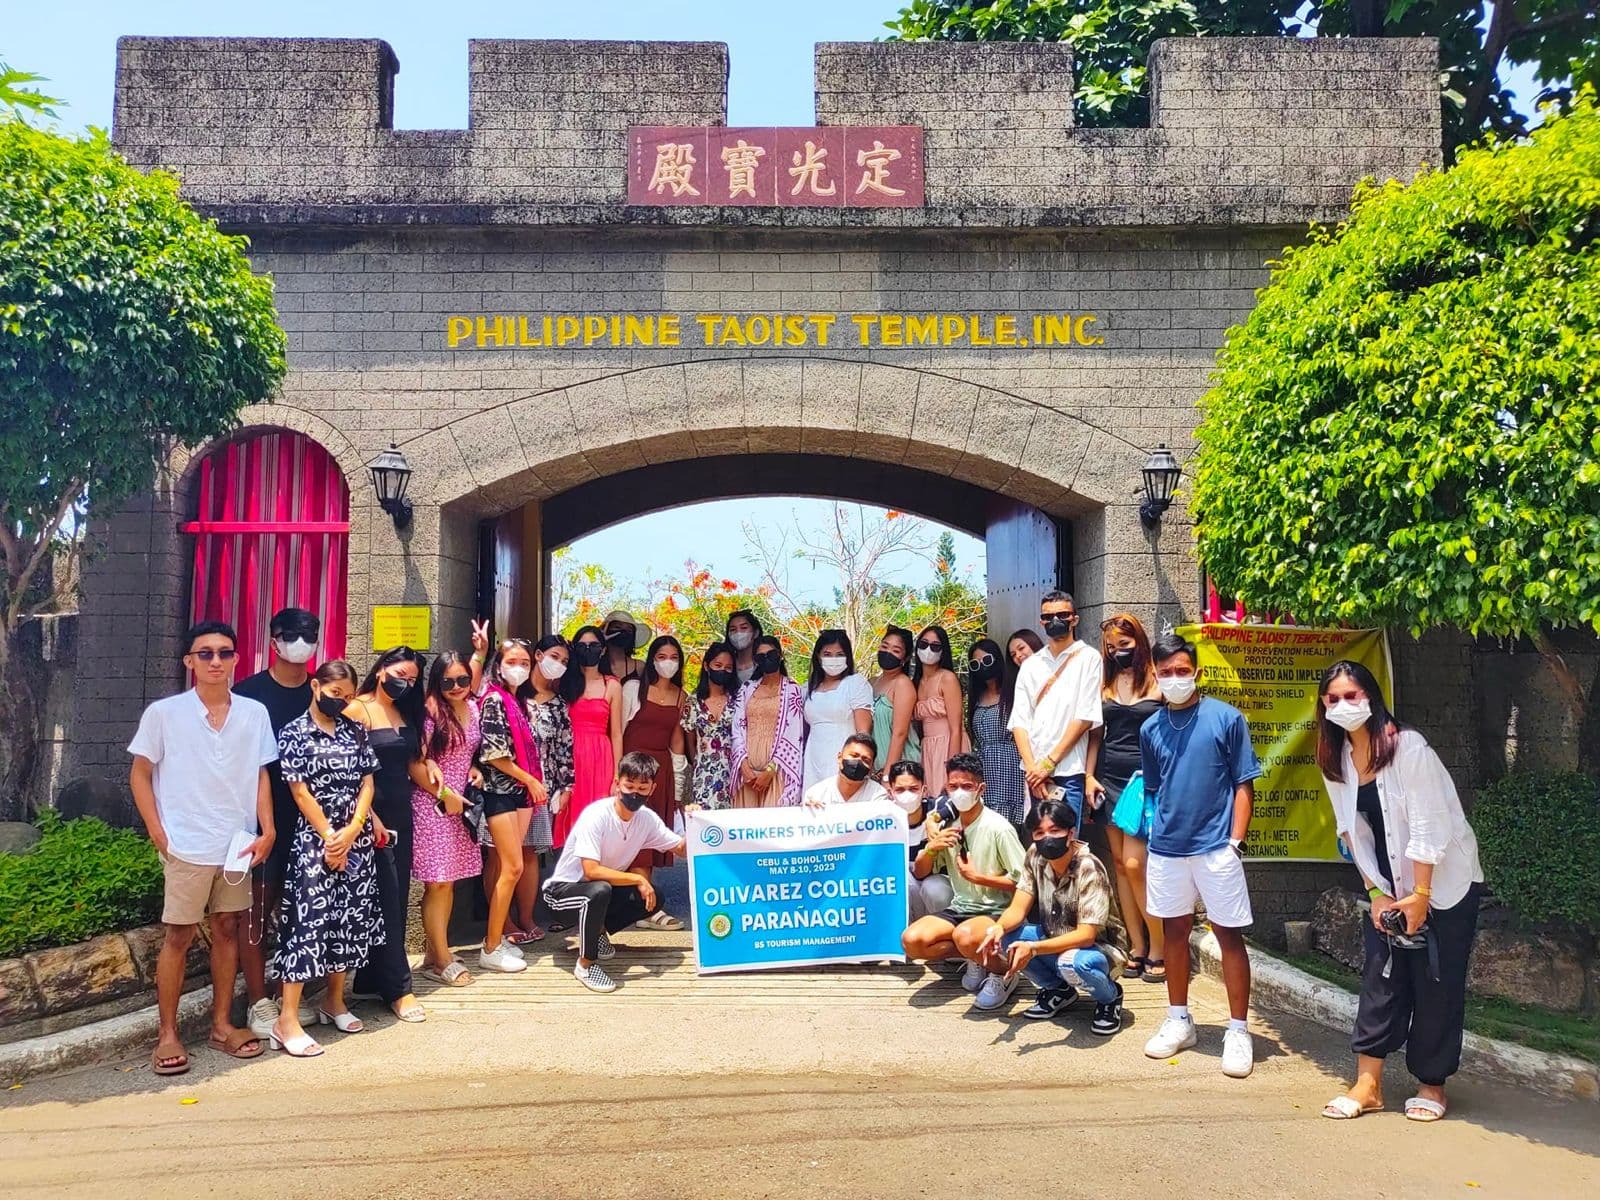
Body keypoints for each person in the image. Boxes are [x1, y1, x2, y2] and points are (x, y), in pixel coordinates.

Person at [1315, 660, 1485, 1123]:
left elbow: (1431, 825)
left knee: (1436, 983)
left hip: (1444, 884)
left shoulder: (1408, 748)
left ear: (1371, 697)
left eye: (1353, 696)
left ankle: (1432, 1084)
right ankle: (1367, 1084)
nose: (1344, 705)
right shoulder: (1335, 760)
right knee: (1381, 977)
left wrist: (1421, 895)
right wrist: (1376, 895)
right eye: (1334, 699)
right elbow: (1352, 833)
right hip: (1388, 885)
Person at [128, 620, 277, 1074]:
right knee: (179, 934)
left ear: (236, 660)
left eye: (225, 653)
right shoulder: (165, 713)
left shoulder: (253, 713)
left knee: (228, 929)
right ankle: (168, 1034)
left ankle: (221, 1025)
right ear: (189, 661)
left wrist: (266, 829)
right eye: (206, 653)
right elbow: (140, 773)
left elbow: (260, 774)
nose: (216, 660)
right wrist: (157, 830)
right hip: (186, 844)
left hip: (235, 843)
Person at [1138, 632, 1262, 1078]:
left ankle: (1238, 1030)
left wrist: (1235, 842)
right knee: (1173, 933)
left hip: (1216, 848)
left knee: (1229, 935)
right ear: (1155, 675)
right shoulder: (1150, 728)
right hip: (1167, 849)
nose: (1175, 679)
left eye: (1182, 672)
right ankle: (1178, 1021)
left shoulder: (1227, 719)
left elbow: (1243, 784)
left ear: (1198, 673)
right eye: (1166, 673)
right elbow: (1153, 789)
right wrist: (1154, 831)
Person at [268, 660, 382, 1056]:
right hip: (316, 841)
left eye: (349, 697)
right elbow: (300, 793)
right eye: (336, 695)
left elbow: (368, 783)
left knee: (349, 918)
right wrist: (332, 838)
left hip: (355, 836)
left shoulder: (355, 731)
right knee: (308, 923)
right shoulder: (295, 732)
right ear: (316, 686)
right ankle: (287, 1019)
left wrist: (353, 830)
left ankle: (335, 999)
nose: (343, 703)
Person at [233, 605, 320, 1040]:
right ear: (274, 640)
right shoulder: (248, 694)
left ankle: (292, 994)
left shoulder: (322, 691)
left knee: (302, 909)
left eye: (309, 634)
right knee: (257, 911)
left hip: (313, 822)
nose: (301, 642)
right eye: (292, 634)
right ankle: (257, 1000)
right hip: (261, 820)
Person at [968, 797, 1130, 1028]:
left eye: (1055, 830)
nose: (1047, 839)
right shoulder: (1035, 855)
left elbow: (1086, 935)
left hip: (1098, 949)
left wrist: (1033, 948)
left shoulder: (1088, 867)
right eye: (1039, 833)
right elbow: (1018, 906)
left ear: (1070, 832)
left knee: (1075, 964)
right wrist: (998, 928)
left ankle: (1110, 997)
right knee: (1008, 938)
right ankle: (1059, 991)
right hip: (1054, 936)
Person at [541, 752, 692, 993]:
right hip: (560, 894)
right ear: (616, 783)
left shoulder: (646, 819)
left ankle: (598, 931)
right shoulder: (596, 815)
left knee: (654, 899)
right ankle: (586, 964)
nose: (634, 793)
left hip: (599, 893)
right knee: (599, 890)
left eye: (642, 788)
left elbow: (682, 849)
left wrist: (696, 821)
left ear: (652, 788)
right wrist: (636, 878)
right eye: (629, 785)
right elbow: (590, 871)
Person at [900, 753, 1026, 1009]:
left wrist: (977, 877)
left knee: (965, 936)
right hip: (960, 907)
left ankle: (1005, 973)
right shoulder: (949, 825)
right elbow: (922, 872)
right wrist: (932, 848)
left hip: (994, 910)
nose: (959, 792)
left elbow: (1025, 881)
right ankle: (976, 957)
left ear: (981, 789)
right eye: (953, 786)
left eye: (966, 786)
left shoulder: (998, 828)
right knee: (912, 941)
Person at [347, 646, 429, 1023]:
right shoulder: (357, 709)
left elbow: (412, 764)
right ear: (381, 669)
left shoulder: (406, 711)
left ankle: (370, 979)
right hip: (370, 818)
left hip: (403, 815)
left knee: (393, 899)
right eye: (400, 673)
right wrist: (368, 818)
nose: (404, 683)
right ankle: (399, 988)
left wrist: (442, 789)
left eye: (412, 680)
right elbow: (346, 772)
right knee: (386, 895)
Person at [1086, 613, 1167, 983]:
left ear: (1139, 641)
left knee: (1137, 865)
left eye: (1125, 644)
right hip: (1108, 778)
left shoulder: (1159, 679)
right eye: (1111, 646)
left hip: (1145, 781)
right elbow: (1096, 736)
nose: (1118, 651)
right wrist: (1088, 776)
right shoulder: (1103, 681)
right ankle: (1137, 946)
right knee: (1119, 863)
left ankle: (1160, 946)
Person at [410, 651, 484, 987]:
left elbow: (473, 751)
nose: (456, 687)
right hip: (432, 803)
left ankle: (434, 954)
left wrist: (475, 770)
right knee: (437, 881)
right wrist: (444, 796)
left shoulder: (473, 708)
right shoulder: (428, 711)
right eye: (448, 681)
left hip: (461, 804)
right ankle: (441, 959)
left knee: (448, 881)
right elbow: (416, 763)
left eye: (463, 680)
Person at [474, 639, 549, 973]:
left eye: (524, 662)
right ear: (499, 663)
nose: (518, 667)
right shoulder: (493, 699)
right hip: (500, 793)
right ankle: (491, 946)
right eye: (512, 660)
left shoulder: (514, 700)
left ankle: (498, 939)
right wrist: (531, 780)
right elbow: (494, 754)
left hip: (518, 794)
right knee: (512, 867)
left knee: (511, 866)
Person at [1008, 591, 1103, 827]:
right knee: (1041, 842)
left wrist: (1048, 763)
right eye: (1048, 617)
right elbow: (1019, 721)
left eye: (1062, 615)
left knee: (1066, 843)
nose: (1055, 621)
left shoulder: (1089, 658)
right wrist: (1033, 769)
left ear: (1074, 619)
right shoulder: (1030, 665)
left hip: (1069, 770)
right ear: (1041, 622)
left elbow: (1084, 717)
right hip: (1035, 774)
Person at [620, 634, 689, 930]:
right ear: (652, 659)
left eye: (674, 657)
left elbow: (677, 740)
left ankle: (644, 906)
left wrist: (678, 782)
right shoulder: (634, 689)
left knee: (650, 838)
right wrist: (617, 773)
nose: (668, 663)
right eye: (662, 657)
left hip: (660, 773)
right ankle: (642, 905)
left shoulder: (681, 695)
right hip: (632, 770)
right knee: (630, 837)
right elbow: (619, 729)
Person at [521, 635, 575, 938]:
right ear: (538, 654)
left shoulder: (559, 706)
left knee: (530, 853)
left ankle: (526, 919)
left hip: (544, 789)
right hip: (508, 786)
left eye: (565, 662)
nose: (559, 665)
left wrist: (567, 787)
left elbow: (565, 749)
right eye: (555, 656)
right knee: (504, 857)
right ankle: (503, 923)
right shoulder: (513, 696)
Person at [554, 624, 624, 846]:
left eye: (594, 645)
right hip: (570, 757)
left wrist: (617, 776)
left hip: (600, 758)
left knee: (598, 817)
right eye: (582, 645)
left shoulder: (612, 685)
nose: (588, 649)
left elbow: (616, 734)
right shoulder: (563, 683)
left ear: (603, 650)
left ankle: (595, 874)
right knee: (569, 816)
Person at [730, 634, 805, 807]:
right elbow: (737, 728)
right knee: (745, 830)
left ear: (780, 655)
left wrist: (771, 770)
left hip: (778, 770)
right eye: (760, 657)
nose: (766, 659)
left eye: (771, 654)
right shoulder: (747, 689)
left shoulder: (793, 690)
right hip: (747, 773)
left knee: (773, 828)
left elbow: (794, 732)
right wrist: (743, 765)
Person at [801, 629, 873, 792]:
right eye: (827, 654)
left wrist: (856, 765)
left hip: (845, 760)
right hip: (813, 761)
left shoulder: (856, 684)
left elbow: (863, 733)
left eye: (839, 654)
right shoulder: (808, 688)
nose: (833, 659)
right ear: (818, 656)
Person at [966, 636, 1026, 832]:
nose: (982, 666)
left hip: (1010, 763)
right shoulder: (976, 697)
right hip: (984, 765)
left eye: (987, 660)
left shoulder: (1013, 692)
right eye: (976, 663)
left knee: (1007, 827)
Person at [886, 761, 955, 921]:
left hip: (937, 884)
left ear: (924, 790)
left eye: (913, 789)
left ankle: (945, 934)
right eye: (900, 790)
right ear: (891, 793)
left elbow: (958, 803)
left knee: (934, 889)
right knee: (901, 882)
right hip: (910, 890)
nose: (907, 795)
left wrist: (933, 820)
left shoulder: (936, 807)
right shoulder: (884, 818)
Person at [911, 624, 967, 796]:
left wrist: (952, 767)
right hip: (927, 748)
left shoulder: (947, 678)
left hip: (949, 743)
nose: (928, 649)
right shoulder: (915, 682)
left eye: (935, 646)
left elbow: (956, 728)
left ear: (943, 651)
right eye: (924, 644)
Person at [682, 641, 738, 810]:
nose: (723, 670)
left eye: (728, 667)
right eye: (718, 665)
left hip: (734, 773)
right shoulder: (693, 702)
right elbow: (689, 742)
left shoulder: (738, 700)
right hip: (704, 775)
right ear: (707, 666)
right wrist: (700, 762)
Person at [869, 625, 920, 774]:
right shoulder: (871, 683)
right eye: (885, 646)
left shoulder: (903, 684)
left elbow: (900, 733)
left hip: (899, 770)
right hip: (875, 768)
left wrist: (888, 774)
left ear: (905, 658)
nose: (888, 652)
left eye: (896, 650)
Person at [803, 733, 888, 807]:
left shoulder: (878, 796)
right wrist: (810, 814)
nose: (858, 762)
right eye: (854, 756)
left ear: (871, 767)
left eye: (866, 760)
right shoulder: (816, 794)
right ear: (840, 758)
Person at [602, 609, 648, 683]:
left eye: (629, 630)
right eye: (617, 627)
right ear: (606, 629)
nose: (623, 631)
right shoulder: (594, 665)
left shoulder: (640, 666)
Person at [725, 608, 764, 684]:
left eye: (744, 628)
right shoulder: (724, 665)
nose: (738, 633)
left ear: (756, 633)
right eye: (733, 630)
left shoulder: (764, 663)